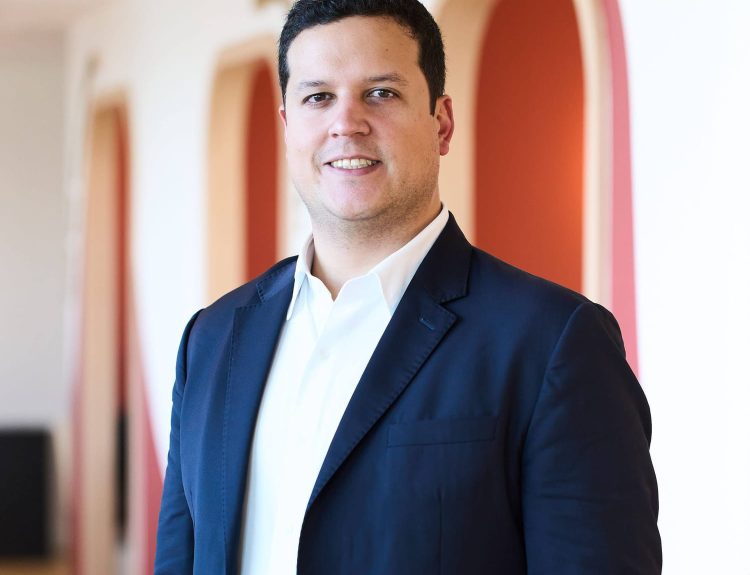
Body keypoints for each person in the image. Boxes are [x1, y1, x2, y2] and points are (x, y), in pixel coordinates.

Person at [154, 0, 662, 573]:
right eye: (318, 97)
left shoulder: (552, 343)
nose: (346, 123)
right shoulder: (211, 340)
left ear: (441, 123)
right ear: (288, 125)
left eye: (381, 93)